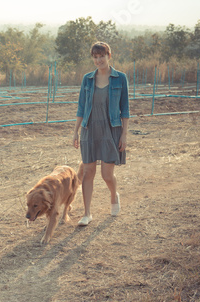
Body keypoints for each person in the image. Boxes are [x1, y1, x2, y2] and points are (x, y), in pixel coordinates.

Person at [73, 41, 129, 226]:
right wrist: (75, 132)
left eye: (102, 56)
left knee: (106, 175)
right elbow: (81, 106)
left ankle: (114, 196)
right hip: (89, 128)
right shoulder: (87, 79)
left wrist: (124, 135)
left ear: (109, 55)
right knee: (88, 172)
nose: (99, 60)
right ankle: (87, 213)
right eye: (95, 57)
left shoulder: (120, 78)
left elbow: (125, 109)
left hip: (111, 129)